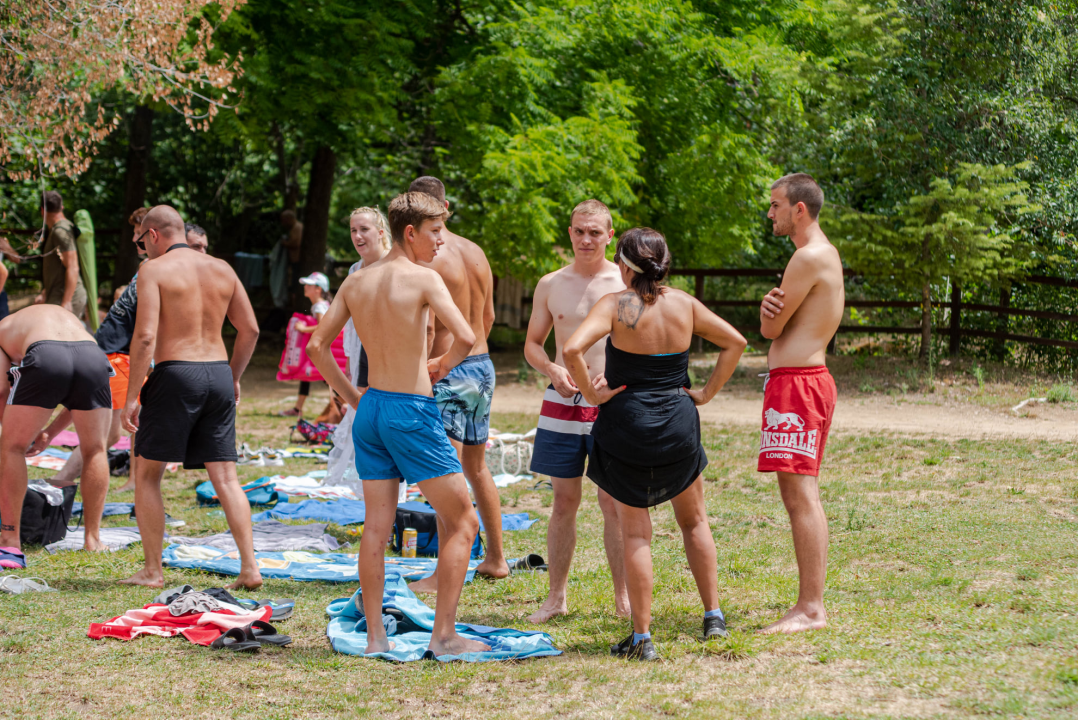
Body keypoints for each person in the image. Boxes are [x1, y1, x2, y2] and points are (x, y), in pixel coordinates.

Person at [307, 191, 488, 657]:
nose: (440, 242)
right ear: (410, 232)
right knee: (464, 521)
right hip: (410, 408)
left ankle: (374, 637)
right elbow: (468, 336)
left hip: (371, 409)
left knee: (375, 526)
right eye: (434, 232)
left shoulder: (356, 283)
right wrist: (441, 365)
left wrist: (350, 397)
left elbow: (316, 348)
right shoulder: (423, 279)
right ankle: (444, 636)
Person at [563, 228, 747, 661]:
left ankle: (643, 638)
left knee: (635, 531)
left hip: (627, 425)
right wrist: (705, 394)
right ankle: (713, 617)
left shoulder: (614, 305)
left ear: (625, 265)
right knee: (695, 521)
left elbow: (572, 347)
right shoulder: (683, 303)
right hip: (678, 424)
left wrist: (591, 395)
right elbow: (736, 342)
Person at [119, 205, 262, 590]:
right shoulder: (222, 269)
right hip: (216, 372)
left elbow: (145, 337)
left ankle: (152, 570)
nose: (142, 249)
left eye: (140, 242)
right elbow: (250, 329)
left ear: (151, 235)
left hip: (175, 372)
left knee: (148, 475)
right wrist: (231, 376)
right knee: (227, 479)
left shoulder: (153, 270)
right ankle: (250, 568)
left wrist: (133, 396)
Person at [524, 198, 630, 623]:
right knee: (564, 501)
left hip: (612, 402)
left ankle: (623, 598)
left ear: (610, 236)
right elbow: (533, 343)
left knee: (613, 501)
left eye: (595, 232)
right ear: (569, 233)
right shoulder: (551, 283)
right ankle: (555, 596)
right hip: (562, 402)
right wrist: (550, 366)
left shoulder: (624, 283)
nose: (586, 239)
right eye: (578, 231)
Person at [404, 176, 506, 593]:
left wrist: (428, 368)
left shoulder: (428, 255)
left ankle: (447, 573)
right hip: (481, 364)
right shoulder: (475, 251)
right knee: (476, 467)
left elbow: (428, 328)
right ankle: (496, 558)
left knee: (444, 473)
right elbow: (489, 318)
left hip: (447, 368)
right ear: (447, 205)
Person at [757, 173, 844, 634]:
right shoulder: (819, 254)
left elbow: (771, 331)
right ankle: (809, 604)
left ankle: (811, 607)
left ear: (799, 210)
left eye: (775, 205)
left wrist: (766, 315)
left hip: (800, 384)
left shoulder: (807, 258)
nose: (769, 214)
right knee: (798, 495)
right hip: (800, 381)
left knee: (801, 496)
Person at [40, 208, 149, 494]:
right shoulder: (147, 268)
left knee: (108, 431)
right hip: (112, 353)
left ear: (153, 234)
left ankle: (62, 480)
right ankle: (61, 481)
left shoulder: (156, 268)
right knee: (105, 433)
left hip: (119, 355)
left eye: (138, 234)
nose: (135, 240)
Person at [0, 305, 113, 567]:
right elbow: (74, 397)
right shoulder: (60, 319)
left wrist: (15, 430)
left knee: (12, 448)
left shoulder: (4, 332)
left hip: (46, 353)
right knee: (95, 449)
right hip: (92, 355)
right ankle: (93, 539)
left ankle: (9, 541)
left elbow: (2, 391)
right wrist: (49, 432)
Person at [325, 206, 392, 488]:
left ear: (380, 232)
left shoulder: (392, 265)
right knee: (361, 421)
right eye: (353, 230)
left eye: (363, 229)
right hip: (359, 352)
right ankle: (367, 486)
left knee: (381, 423)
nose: (357, 236)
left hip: (388, 355)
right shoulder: (354, 269)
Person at [280, 272, 332, 417]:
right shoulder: (321, 305)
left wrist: (303, 329)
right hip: (324, 349)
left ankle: (342, 406)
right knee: (309, 376)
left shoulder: (319, 306)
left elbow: (323, 326)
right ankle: (298, 408)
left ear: (318, 289)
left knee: (329, 379)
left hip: (323, 349)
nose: (306, 287)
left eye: (309, 285)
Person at [35, 191, 88, 321]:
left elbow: (73, 266)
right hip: (58, 294)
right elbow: (59, 266)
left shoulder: (60, 231)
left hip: (66, 297)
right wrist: (45, 292)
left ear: (42, 210)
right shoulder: (60, 229)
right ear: (61, 207)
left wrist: (67, 301)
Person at [280, 210, 304, 305]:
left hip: (298, 261)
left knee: (295, 285)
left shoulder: (297, 228)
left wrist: (284, 243)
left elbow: (296, 243)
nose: (283, 223)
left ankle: (294, 304)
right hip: (294, 261)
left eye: (284, 220)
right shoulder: (295, 227)